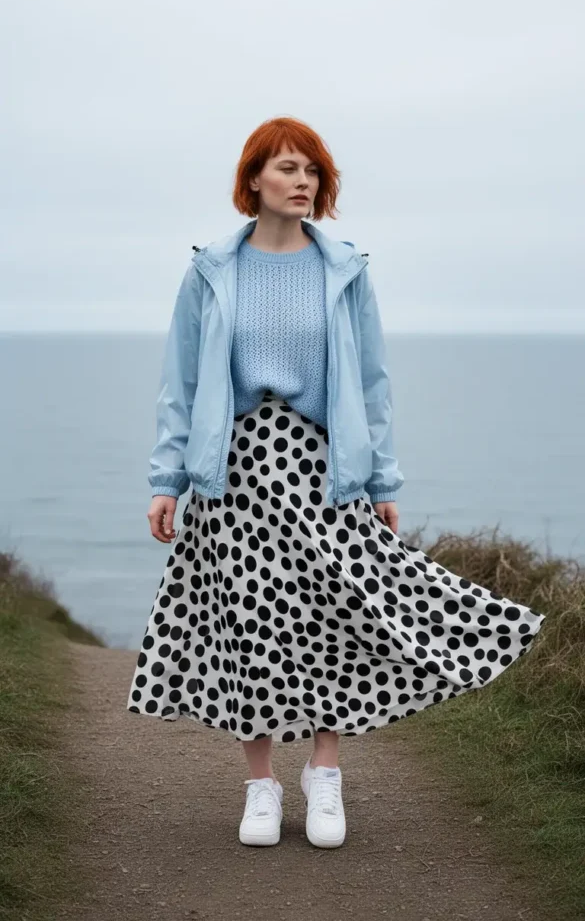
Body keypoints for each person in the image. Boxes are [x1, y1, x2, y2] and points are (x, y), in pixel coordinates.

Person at [127, 115, 546, 850]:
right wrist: (167, 478)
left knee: (331, 612)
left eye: (312, 171)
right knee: (246, 620)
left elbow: (373, 384)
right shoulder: (210, 271)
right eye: (287, 168)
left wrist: (381, 480)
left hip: (324, 466)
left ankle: (324, 776)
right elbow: (182, 383)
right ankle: (260, 786)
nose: (302, 182)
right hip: (236, 469)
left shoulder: (345, 269)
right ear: (252, 178)